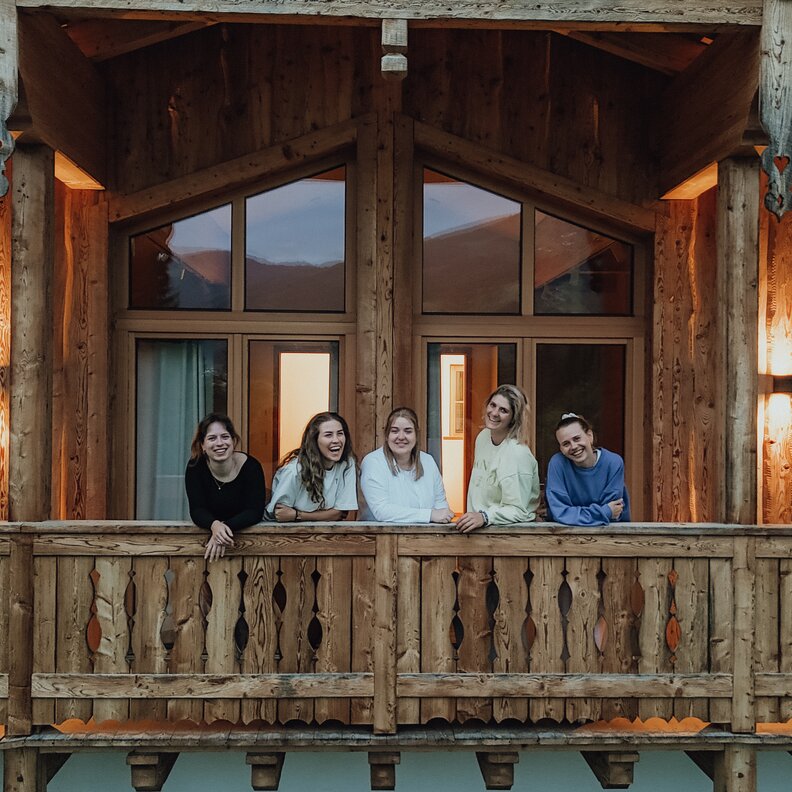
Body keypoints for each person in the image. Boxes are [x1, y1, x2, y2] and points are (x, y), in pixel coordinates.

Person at [456, 384, 540, 533]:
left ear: (513, 418)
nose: (494, 413)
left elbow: (519, 510)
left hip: (506, 537)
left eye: (503, 410)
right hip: (476, 533)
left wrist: (485, 517)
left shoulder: (518, 453)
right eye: (492, 405)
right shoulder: (483, 437)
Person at [185, 413, 266, 562]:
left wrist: (221, 531)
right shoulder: (195, 467)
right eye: (212, 438)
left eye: (225, 436)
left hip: (247, 549)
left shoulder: (251, 467)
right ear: (202, 445)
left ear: (233, 441)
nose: (219, 443)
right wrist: (214, 525)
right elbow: (197, 509)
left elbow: (254, 511)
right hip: (206, 552)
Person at [360, 407, 454, 523]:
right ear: (386, 435)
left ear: (416, 435)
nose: (401, 437)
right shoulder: (373, 462)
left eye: (408, 431)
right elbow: (381, 511)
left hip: (427, 538)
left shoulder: (428, 461)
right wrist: (429, 515)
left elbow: (441, 506)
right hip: (382, 538)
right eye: (394, 431)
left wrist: (441, 515)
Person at [266, 411, 358, 521]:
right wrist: (326, 515)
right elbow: (280, 514)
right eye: (328, 435)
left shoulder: (347, 464)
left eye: (340, 433)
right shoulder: (294, 471)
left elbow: (340, 514)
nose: (336, 440)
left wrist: (298, 515)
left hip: (327, 534)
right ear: (315, 440)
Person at [545, 412, 631, 526]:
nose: (574, 447)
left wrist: (573, 515)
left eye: (577, 438)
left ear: (590, 436)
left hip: (610, 534)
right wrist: (604, 511)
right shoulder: (557, 464)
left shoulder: (613, 463)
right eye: (566, 444)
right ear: (560, 448)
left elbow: (613, 515)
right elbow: (560, 513)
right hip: (565, 535)